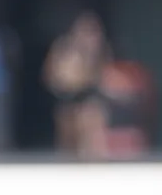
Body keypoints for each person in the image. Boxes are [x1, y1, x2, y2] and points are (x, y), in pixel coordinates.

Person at [43, 12, 111, 157]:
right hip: (66, 101)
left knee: (90, 138)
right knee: (67, 145)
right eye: (84, 30)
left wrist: (91, 53)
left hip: (88, 101)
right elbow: (50, 74)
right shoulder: (62, 48)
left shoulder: (99, 51)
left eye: (93, 31)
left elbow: (103, 75)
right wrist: (62, 83)